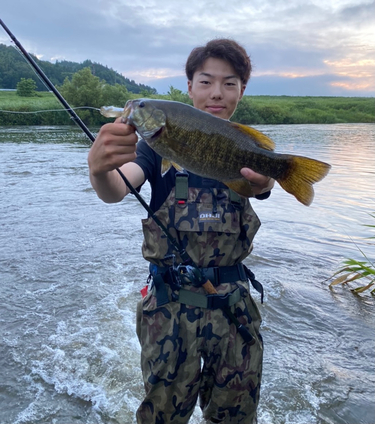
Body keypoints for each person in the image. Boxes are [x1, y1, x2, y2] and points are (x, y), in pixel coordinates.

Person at [88, 39, 274, 424]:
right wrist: (99, 169)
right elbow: (118, 188)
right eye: (206, 82)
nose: (217, 93)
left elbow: (261, 184)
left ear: (242, 89)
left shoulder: (243, 145)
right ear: (189, 86)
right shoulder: (156, 149)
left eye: (230, 83)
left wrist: (268, 182)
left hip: (233, 309)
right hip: (169, 310)